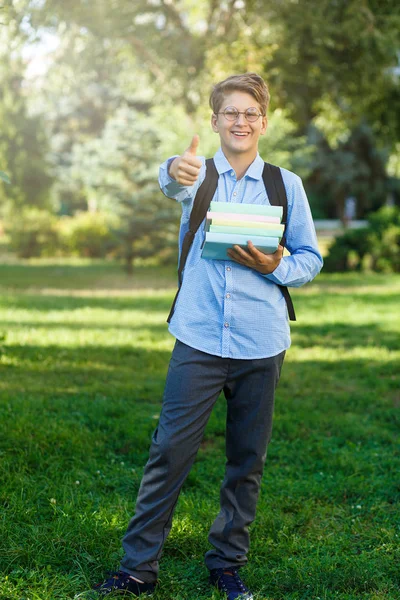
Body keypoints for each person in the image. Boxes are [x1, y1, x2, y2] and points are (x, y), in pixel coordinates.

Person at [93, 73, 323, 599]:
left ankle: (226, 564)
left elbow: (310, 258)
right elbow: (172, 179)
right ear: (215, 120)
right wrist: (172, 168)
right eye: (230, 113)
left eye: (250, 113)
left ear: (263, 122)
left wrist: (275, 265)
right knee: (169, 451)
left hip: (261, 343)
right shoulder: (199, 175)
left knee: (247, 459)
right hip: (198, 338)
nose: (240, 121)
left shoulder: (286, 185)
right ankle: (136, 570)